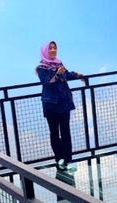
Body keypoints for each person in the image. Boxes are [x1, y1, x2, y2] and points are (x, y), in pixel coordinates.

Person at [36, 41, 84, 172]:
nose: (53, 50)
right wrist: (57, 74)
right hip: (51, 104)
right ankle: (59, 159)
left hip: (64, 102)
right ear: (45, 51)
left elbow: (66, 75)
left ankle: (69, 160)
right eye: (50, 48)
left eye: (54, 48)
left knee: (66, 132)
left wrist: (78, 75)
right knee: (54, 133)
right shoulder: (41, 68)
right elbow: (46, 82)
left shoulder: (59, 63)